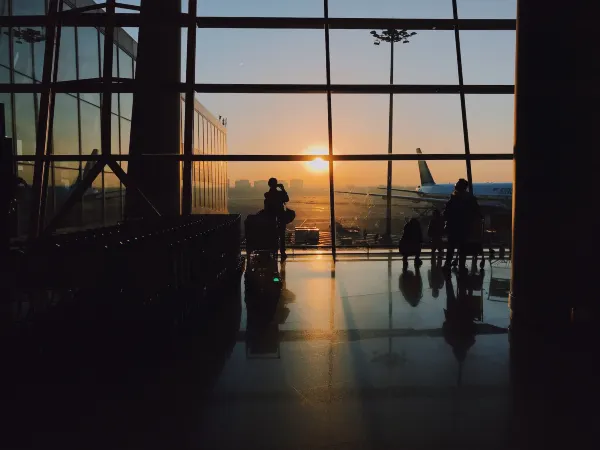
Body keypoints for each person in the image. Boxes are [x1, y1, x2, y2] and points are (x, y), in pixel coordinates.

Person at [443, 178, 481, 271]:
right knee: (463, 248)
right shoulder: (471, 199)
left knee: (451, 248)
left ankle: (448, 264)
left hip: (453, 227)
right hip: (465, 227)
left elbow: (446, 214)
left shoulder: (453, 199)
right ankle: (462, 266)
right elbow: (477, 213)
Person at [264, 177, 290, 261]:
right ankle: (282, 252)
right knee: (282, 235)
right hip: (280, 217)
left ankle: (272, 251)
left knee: (271, 235)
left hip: (270, 218)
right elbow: (286, 199)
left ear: (269, 184)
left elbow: (266, 208)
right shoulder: (280, 194)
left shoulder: (267, 195)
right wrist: (283, 189)